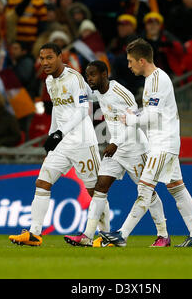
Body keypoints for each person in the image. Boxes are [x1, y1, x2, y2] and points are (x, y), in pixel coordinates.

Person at [100, 38, 192, 248]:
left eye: (131, 61)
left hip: (162, 144)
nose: (129, 66)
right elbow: (152, 112)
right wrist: (137, 113)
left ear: (141, 60)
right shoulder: (153, 80)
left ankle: (122, 234)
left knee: (144, 188)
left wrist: (131, 118)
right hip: (165, 142)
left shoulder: (157, 81)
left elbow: (153, 116)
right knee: (177, 189)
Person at [64, 60, 170, 247]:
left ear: (105, 74)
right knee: (100, 187)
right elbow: (83, 92)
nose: (89, 79)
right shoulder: (97, 91)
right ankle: (88, 235)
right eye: (87, 76)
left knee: (147, 193)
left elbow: (136, 121)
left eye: (93, 75)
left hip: (136, 150)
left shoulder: (121, 93)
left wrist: (115, 142)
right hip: (116, 151)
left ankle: (163, 235)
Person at [8, 43, 100, 246]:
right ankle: (34, 233)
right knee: (42, 182)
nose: (45, 62)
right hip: (62, 143)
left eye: (49, 57)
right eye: (42, 58)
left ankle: (105, 235)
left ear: (60, 57)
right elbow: (58, 111)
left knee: (95, 191)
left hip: (83, 141)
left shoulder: (74, 78)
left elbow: (83, 110)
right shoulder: (49, 81)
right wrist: (52, 139)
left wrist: (60, 133)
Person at [142, 12, 185, 77]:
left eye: (155, 24)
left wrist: (170, 45)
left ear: (160, 26)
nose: (153, 26)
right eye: (150, 24)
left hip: (172, 74)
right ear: (145, 26)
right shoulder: (141, 41)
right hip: (150, 76)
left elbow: (181, 51)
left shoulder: (168, 37)